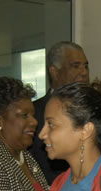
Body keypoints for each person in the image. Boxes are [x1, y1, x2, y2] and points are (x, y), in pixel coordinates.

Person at [30, 41, 90, 183]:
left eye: (86, 66)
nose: (84, 72)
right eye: (75, 66)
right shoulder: (34, 113)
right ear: (54, 72)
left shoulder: (93, 110)